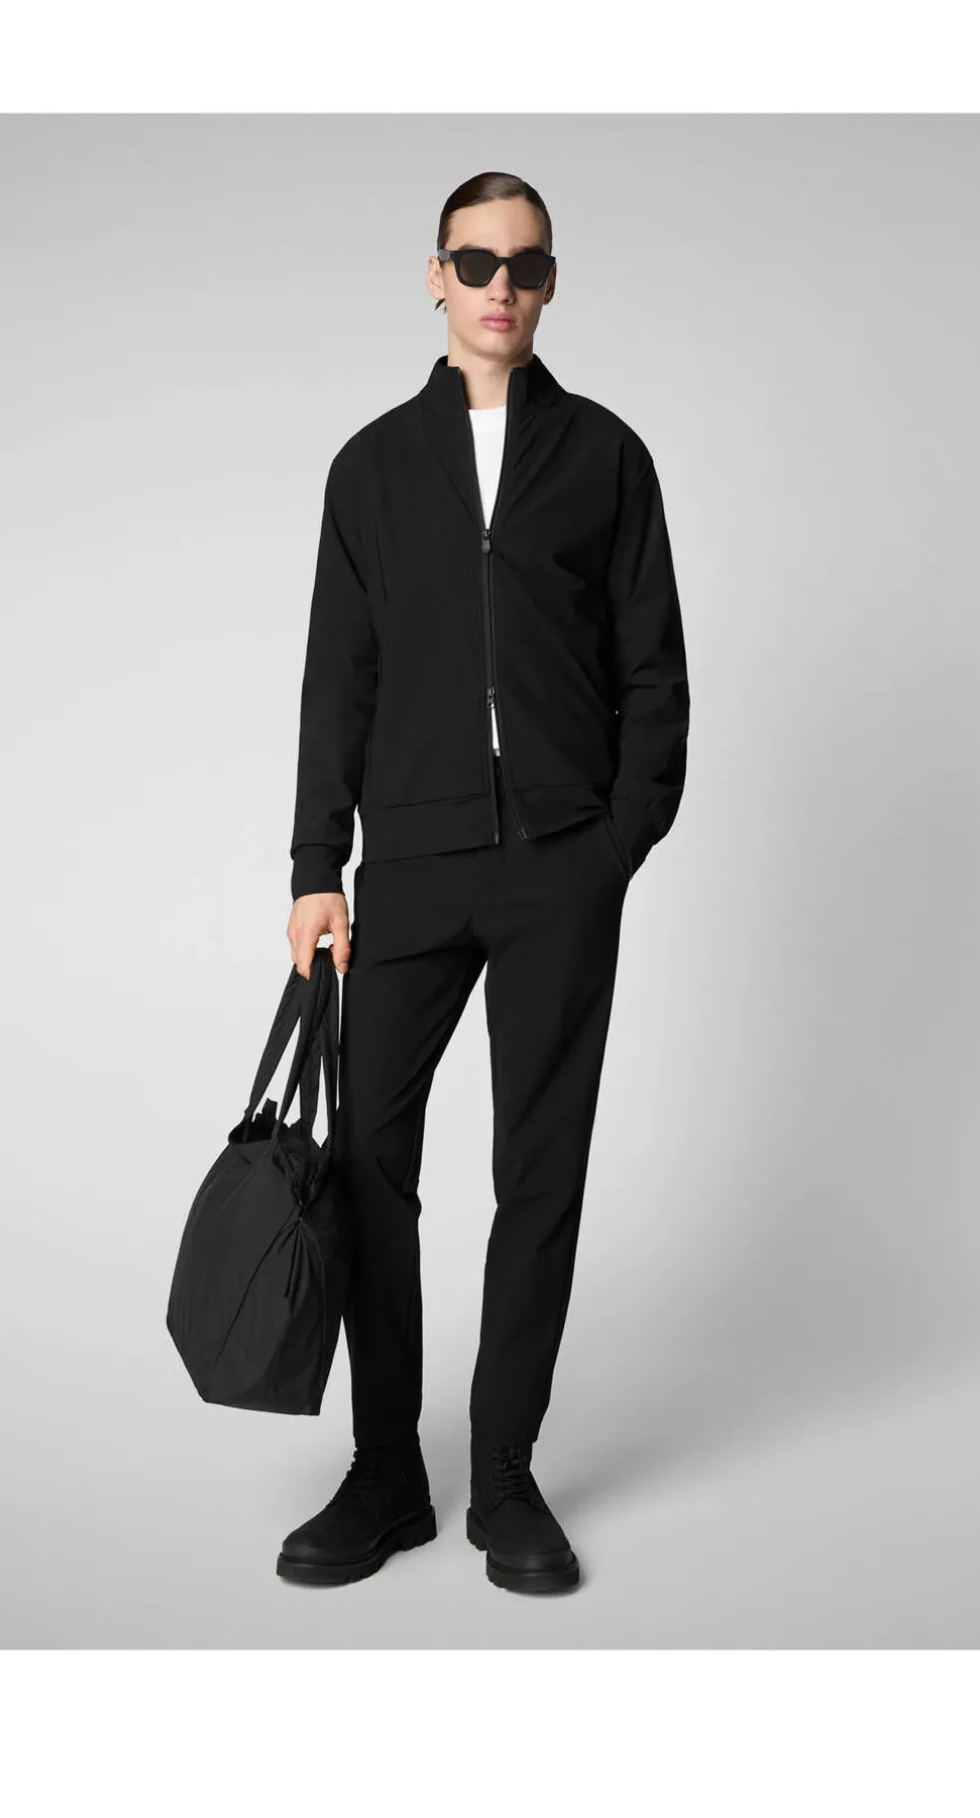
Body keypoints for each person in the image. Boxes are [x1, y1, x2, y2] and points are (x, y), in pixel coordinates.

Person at [275, 170, 690, 1594]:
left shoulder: (606, 458)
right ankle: (386, 1469)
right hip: (412, 862)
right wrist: (317, 864)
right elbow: (339, 677)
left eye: (525, 265)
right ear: (435, 277)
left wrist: (617, 841)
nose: (499, 286)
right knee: (367, 1164)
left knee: (540, 1175)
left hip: (560, 866)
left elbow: (654, 666)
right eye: (475, 261)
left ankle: (504, 1476)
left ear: (550, 283)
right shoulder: (373, 469)